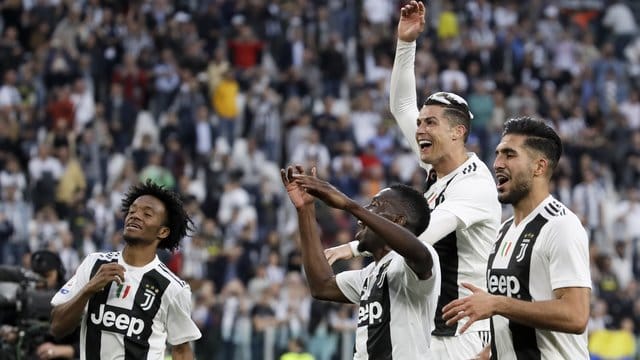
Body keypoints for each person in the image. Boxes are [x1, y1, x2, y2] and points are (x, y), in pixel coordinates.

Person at [323, 1, 500, 358]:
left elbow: (424, 234)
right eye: (420, 123)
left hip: (461, 332)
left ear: (458, 132)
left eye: (430, 123)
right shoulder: (436, 173)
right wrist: (406, 44)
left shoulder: (474, 184)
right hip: (433, 327)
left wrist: (355, 245)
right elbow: (402, 106)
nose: (419, 128)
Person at [442, 117, 591, 359]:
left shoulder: (561, 226)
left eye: (510, 155)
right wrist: (487, 354)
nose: (497, 163)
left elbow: (576, 315)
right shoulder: (504, 230)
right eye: (498, 154)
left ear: (539, 167)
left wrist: (497, 304)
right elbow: (513, 319)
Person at [281, 165, 440, 359]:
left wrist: (350, 205)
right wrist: (305, 209)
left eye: (375, 205)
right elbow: (321, 286)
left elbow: (419, 255)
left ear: (398, 221)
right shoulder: (369, 274)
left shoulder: (416, 261)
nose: (363, 215)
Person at [49, 180, 202, 360]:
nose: (135, 216)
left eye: (147, 214)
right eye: (132, 210)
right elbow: (57, 327)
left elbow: (182, 351)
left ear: (163, 232)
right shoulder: (93, 264)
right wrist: (88, 290)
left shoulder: (172, 288)